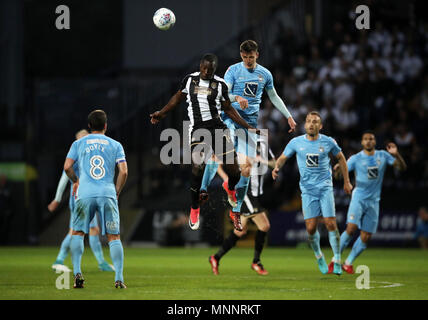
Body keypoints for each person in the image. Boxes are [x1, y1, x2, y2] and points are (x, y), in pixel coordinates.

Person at [150, 53, 260, 232]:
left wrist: (247, 126)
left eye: (210, 69)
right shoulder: (190, 80)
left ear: (215, 69)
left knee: (234, 172)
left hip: (218, 129)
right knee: (198, 166)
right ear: (200, 66)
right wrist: (161, 113)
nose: (206, 71)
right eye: (204, 68)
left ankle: (231, 188)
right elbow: (177, 98)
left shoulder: (220, 85)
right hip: (198, 131)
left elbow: (229, 110)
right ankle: (194, 208)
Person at [200, 40, 297, 227]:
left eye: (251, 57)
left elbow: (274, 96)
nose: (248, 60)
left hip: (249, 126)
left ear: (257, 55)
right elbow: (223, 94)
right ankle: (202, 190)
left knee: (246, 168)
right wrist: (237, 97)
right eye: (245, 57)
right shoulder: (233, 71)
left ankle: (236, 210)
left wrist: (288, 116)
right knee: (216, 154)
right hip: (229, 118)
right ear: (241, 55)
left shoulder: (265, 74)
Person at [272, 111, 353, 275]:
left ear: (320, 126)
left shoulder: (328, 142)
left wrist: (346, 181)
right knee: (310, 228)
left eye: (315, 122)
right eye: (309, 121)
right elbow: (282, 157)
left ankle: (337, 259)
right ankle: (319, 256)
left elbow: (342, 158)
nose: (311, 124)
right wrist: (276, 168)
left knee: (331, 223)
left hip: (325, 188)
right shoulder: (296, 142)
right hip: (307, 191)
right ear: (305, 124)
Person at [64, 110, 128, 289]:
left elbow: (67, 166)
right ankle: (119, 279)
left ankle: (78, 274)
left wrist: (76, 181)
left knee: (78, 233)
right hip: (107, 192)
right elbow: (124, 171)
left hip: (84, 193)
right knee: (113, 236)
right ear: (106, 126)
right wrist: (116, 190)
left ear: (89, 126)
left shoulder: (78, 143)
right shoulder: (115, 144)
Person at [331, 132, 407, 273]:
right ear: (362, 142)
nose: (368, 141)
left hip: (374, 201)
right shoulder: (356, 158)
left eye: (371, 139)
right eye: (365, 139)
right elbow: (339, 174)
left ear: (375, 141)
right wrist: (337, 170)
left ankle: (348, 263)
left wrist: (396, 154)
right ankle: (335, 259)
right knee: (351, 229)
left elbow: (401, 167)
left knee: (366, 236)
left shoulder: (383, 156)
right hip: (358, 198)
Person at [49, 129, 115, 273]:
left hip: (87, 197)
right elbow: (64, 177)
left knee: (81, 230)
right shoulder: (77, 156)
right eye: (82, 138)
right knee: (88, 230)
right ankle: (62, 260)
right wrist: (57, 199)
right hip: (80, 199)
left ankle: (62, 260)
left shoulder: (85, 155)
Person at [208, 139, 275, 275]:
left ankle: (215, 257)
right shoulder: (238, 143)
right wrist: (226, 178)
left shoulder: (263, 144)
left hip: (256, 193)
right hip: (243, 191)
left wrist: (263, 161)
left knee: (240, 231)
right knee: (264, 225)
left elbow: (275, 164)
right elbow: (214, 159)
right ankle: (256, 262)